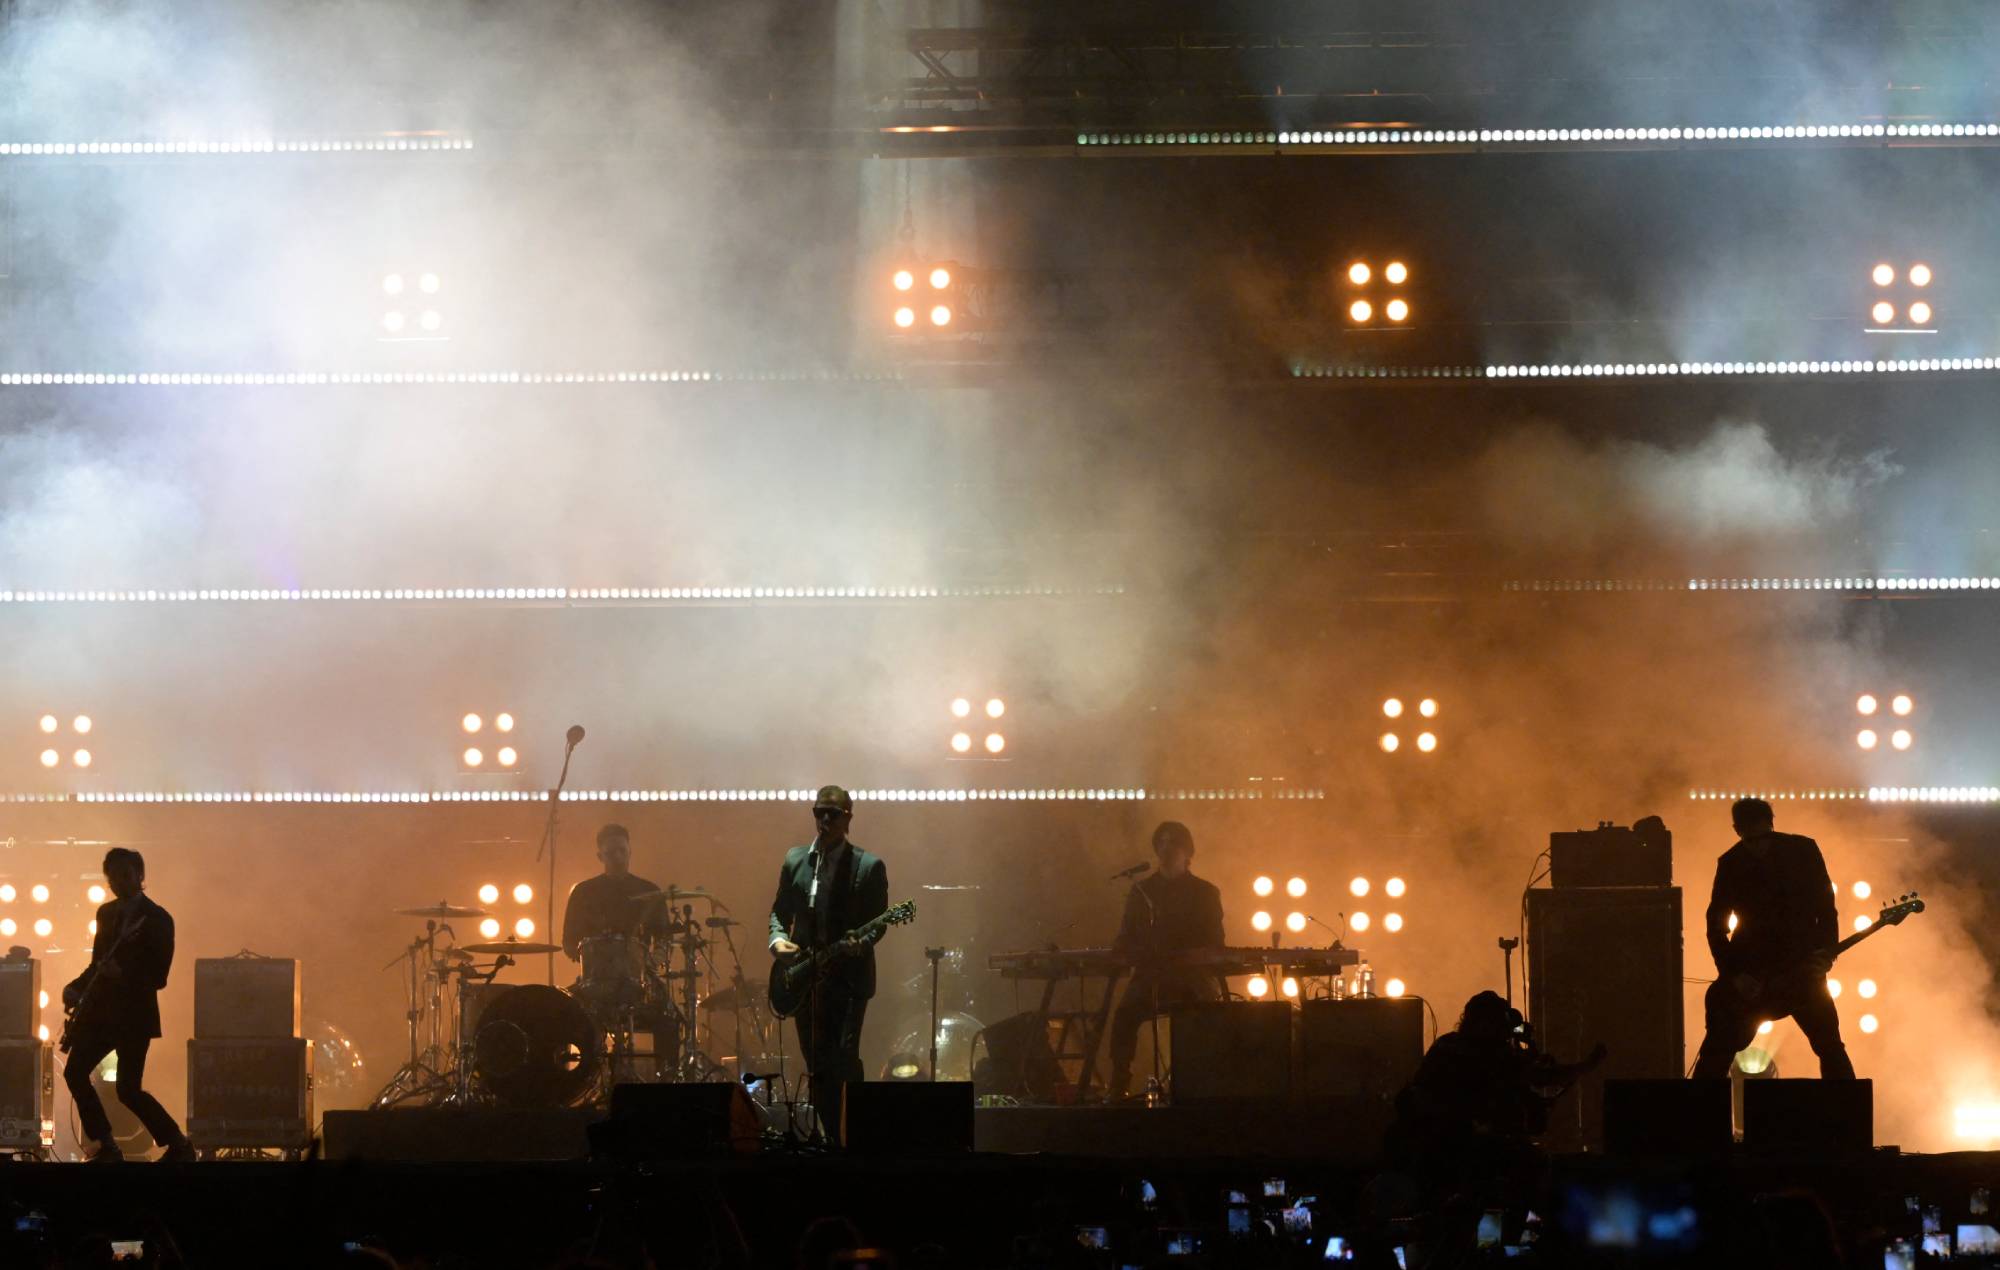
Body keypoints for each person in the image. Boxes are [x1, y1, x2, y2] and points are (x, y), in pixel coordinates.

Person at [1692, 797, 1854, 1079]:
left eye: (1760, 839)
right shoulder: (1740, 861)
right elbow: (1715, 926)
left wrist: (1826, 956)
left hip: (1788, 970)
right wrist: (1735, 974)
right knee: (1829, 1048)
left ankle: (1845, 1114)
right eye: (1751, 840)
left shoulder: (1792, 852)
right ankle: (1700, 1118)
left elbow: (1826, 908)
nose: (1757, 846)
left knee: (1829, 1046)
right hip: (1770, 971)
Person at [768, 785, 888, 1138]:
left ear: (848, 817)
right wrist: (777, 940)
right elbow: (779, 911)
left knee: (843, 1060)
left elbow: (878, 924)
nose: (824, 819)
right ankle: (831, 1137)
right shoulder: (796, 860)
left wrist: (860, 943)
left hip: (847, 980)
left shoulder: (867, 866)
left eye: (832, 814)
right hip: (805, 977)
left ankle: (853, 1137)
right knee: (815, 1063)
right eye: (819, 812)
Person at [61, 848, 194, 1163]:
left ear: (140, 875)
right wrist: (75, 987)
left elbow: (158, 976)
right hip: (101, 1015)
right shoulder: (105, 914)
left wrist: (122, 975)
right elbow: (97, 964)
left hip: (134, 1017)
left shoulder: (159, 919)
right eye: (113, 877)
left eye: (125, 875)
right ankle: (107, 1144)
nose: (118, 883)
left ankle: (178, 1144)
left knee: (128, 1089)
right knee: (75, 1072)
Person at [1105, 821, 1225, 1100]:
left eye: (1174, 842)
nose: (1167, 848)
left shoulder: (1205, 892)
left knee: (1204, 1017)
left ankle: (1203, 1080)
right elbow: (1125, 935)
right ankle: (1119, 1080)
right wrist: (1121, 950)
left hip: (1191, 978)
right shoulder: (1141, 891)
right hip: (1151, 977)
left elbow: (1214, 940)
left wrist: (1190, 954)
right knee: (1124, 1014)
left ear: (1188, 852)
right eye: (1162, 842)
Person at [562, 823, 677, 1071]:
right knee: (559, 1015)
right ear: (599, 856)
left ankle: (668, 1081)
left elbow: (665, 939)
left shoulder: (649, 891)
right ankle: (576, 1082)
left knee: (670, 1020)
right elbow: (568, 942)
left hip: (640, 983)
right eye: (611, 852)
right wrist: (589, 953)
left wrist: (654, 960)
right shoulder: (584, 892)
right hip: (594, 983)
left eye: (621, 851)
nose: (617, 857)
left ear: (630, 852)